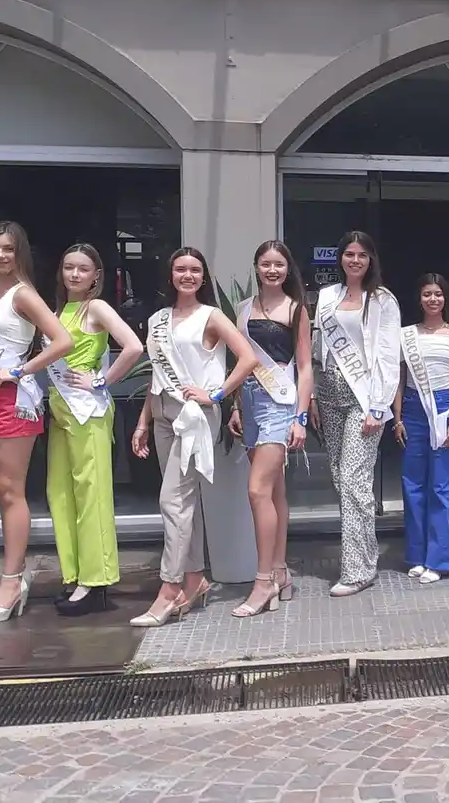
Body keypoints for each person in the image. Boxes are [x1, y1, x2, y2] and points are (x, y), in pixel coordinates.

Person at [130, 247, 257, 627]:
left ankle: (169, 589)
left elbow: (247, 358)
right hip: (163, 412)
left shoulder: (212, 316)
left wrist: (216, 394)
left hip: (195, 415)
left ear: (203, 277)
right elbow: (156, 376)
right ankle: (195, 578)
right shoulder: (157, 319)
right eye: (181, 269)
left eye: (195, 270)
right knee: (185, 503)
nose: (188, 275)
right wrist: (142, 423)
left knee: (173, 500)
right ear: (170, 275)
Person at [0, 221, 75, 623]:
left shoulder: (24, 294)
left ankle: (12, 581)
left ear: (20, 253)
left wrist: (20, 370)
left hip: (13, 398)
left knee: (12, 491)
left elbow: (62, 340)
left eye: (8, 249)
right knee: (1, 490)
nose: (0, 255)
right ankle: (12, 576)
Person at [45, 243, 144, 617]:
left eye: (82, 269)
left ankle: (95, 580)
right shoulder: (58, 310)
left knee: (92, 497)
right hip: (60, 411)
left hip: (87, 412)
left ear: (96, 276)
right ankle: (74, 573)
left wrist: (101, 380)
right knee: (60, 494)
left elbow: (133, 346)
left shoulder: (96, 307)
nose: (74, 274)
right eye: (68, 267)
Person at [228, 240, 314, 617]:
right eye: (266, 264)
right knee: (275, 492)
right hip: (249, 402)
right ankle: (280, 573)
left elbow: (305, 367)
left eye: (279, 264)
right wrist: (234, 406)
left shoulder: (296, 310)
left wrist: (301, 416)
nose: (273, 270)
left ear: (287, 268)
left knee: (257, 490)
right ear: (257, 267)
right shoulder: (243, 309)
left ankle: (262, 581)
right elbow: (239, 361)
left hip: (280, 404)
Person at [313, 231, 401, 597]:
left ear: (371, 259)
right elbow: (318, 348)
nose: (354, 260)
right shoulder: (326, 296)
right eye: (349, 254)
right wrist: (314, 401)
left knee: (354, 479)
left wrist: (378, 407)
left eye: (361, 255)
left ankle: (357, 569)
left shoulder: (382, 299)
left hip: (364, 400)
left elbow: (388, 354)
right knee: (340, 478)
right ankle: (361, 559)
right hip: (328, 395)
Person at [394, 274, 449, 583]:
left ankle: (440, 559)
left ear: (445, 298)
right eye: (427, 294)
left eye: (438, 294)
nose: (433, 299)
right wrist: (397, 416)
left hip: (444, 406)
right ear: (420, 298)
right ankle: (416, 554)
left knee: (444, 485)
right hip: (412, 408)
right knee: (413, 483)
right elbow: (399, 379)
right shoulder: (406, 335)